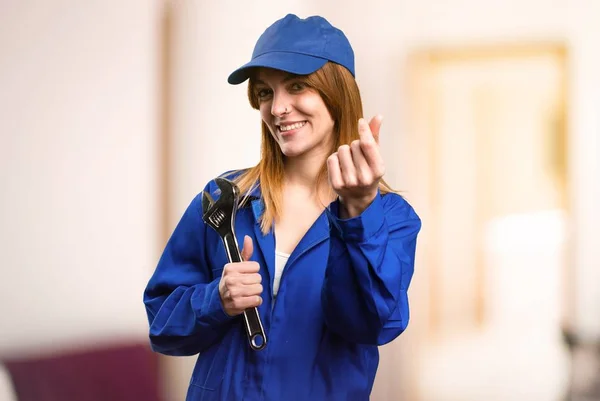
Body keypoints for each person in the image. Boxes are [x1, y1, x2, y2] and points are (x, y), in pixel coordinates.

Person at [143, 13, 421, 401]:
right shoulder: (226, 199)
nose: (277, 108)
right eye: (265, 93)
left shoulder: (390, 218)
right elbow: (162, 325)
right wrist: (216, 299)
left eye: (297, 86)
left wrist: (358, 215)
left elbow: (371, 325)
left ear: (335, 92)